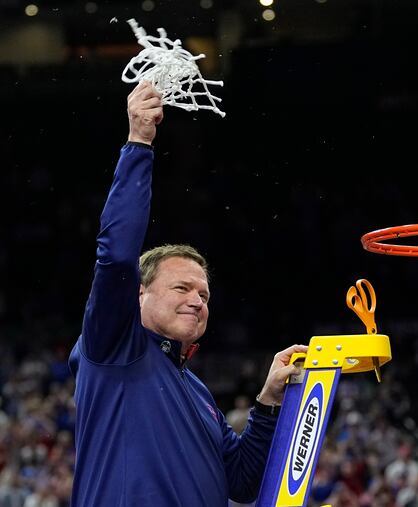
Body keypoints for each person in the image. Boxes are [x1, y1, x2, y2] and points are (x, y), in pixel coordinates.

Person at [68, 81, 308, 506]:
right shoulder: (113, 347)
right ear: (138, 294)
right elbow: (117, 255)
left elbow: (243, 481)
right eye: (182, 287)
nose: (198, 300)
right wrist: (139, 143)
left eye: (205, 294)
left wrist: (269, 403)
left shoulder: (196, 392)